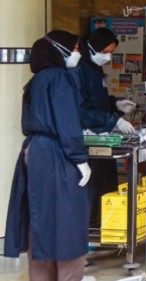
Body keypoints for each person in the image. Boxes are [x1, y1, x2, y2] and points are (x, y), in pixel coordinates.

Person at [4, 30, 92, 281]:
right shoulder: (60, 78)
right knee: (68, 219)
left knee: (41, 220)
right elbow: (67, 122)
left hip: (35, 152)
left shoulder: (38, 79)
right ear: (60, 50)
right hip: (56, 153)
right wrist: (80, 159)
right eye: (75, 48)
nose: (78, 53)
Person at [69, 27, 136, 227]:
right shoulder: (78, 70)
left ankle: (105, 227)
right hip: (85, 138)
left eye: (111, 52)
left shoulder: (95, 69)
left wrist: (115, 104)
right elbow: (81, 109)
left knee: (105, 188)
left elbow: (98, 100)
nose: (108, 57)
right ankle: (86, 236)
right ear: (91, 47)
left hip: (101, 136)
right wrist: (113, 121)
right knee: (90, 189)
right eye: (105, 52)